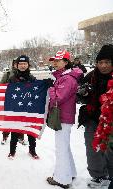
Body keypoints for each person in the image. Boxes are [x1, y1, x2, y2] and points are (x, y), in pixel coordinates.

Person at [77, 44, 113, 188]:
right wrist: (83, 94)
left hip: (110, 120)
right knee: (92, 149)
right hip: (93, 118)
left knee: (110, 149)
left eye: (107, 62)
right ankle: (98, 176)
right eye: (100, 62)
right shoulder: (91, 76)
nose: (103, 66)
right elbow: (80, 97)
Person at [46, 50, 83, 188]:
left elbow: (57, 98)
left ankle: (62, 179)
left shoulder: (67, 79)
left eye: (58, 60)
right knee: (64, 147)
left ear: (66, 62)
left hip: (63, 117)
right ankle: (70, 172)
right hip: (63, 116)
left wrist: (50, 87)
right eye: (54, 60)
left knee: (61, 148)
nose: (54, 63)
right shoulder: (64, 77)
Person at [0, 55, 39, 159]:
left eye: (25, 64)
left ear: (28, 65)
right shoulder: (12, 79)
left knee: (31, 131)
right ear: (16, 65)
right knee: (15, 131)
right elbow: (5, 91)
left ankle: (32, 151)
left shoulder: (32, 78)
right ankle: (12, 151)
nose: (23, 66)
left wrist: (46, 85)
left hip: (28, 108)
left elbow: (37, 91)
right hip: (16, 109)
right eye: (20, 64)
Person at [0, 59, 27, 147]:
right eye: (16, 64)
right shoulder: (7, 74)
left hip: (20, 101)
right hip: (10, 101)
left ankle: (21, 137)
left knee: (20, 120)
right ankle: (5, 136)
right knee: (8, 120)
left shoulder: (25, 74)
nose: (17, 65)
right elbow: (0, 86)